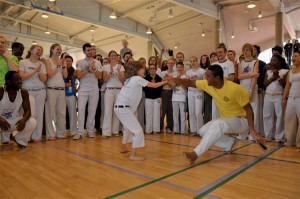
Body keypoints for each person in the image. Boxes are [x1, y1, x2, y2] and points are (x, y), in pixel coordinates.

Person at [170, 64, 266, 163]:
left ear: (217, 78)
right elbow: (191, 82)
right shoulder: (208, 84)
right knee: (202, 131)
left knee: (218, 124)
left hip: (241, 121)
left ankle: (195, 154)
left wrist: (252, 130)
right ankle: (228, 143)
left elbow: (249, 109)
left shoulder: (235, 89)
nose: (206, 78)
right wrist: (176, 80)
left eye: (208, 76)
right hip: (226, 120)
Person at [114, 61, 167, 160]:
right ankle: (133, 155)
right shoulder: (137, 79)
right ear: (137, 70)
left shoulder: (128, 80)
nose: (145, 70)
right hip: (124, 108)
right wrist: (165, 81)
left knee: (127, 128)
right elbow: (154, 85)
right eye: (143, 68)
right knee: (138, 131)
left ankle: (123, 147)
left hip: (119, 108)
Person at [0, 71, 37, 148]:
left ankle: (20, 140)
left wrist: (23, 120)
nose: (20, 81)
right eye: (16, 79)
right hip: (1, 122)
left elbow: (28, 111)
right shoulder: (1, 91)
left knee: (32, 122)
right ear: (9, 82)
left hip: (11, 122)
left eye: (20, 79)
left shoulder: (23, 92)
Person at [18, 45, 47, 143]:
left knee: (39, 114)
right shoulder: (23, 62)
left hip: (40, 91)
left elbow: (44, 79)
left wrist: (39, 73)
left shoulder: (42, 64)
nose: (40, 52)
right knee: (29, 114)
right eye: (38, 50)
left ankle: (36, 137)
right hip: (28, 91)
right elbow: (21, 77)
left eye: (41, 51)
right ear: (31, 50)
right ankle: (25, 136)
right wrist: (35, 71)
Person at [74, 43, 102, 140]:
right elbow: (78, 75)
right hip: (83, 89)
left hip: (94, 88)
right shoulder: (80, 62)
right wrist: (88, 70)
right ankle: (80, 132)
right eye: (88, 50)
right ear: (84, 52)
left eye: (91, 50)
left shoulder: (97, 62)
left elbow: (100, 77)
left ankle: (90, 130)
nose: (90, 52)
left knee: (92, 110)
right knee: (81, 109)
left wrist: (94, 69)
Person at [44, 44, 68, 140]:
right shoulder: (47, 60)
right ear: (52, 50)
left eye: (60, 49)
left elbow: (65, 76)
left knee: (61, 112)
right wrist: (58, 65)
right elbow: (49, 75)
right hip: (51, 88)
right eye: (57, 49)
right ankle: (50, 134)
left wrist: (63, 65)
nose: (59, 51)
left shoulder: (63, 61)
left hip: (61, 89)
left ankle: (61, 133)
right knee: (50, 112)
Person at [238, 43, 260, 140]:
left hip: (251, 88)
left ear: (251, 51)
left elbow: (254, 79)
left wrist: (251, 90)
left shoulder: (255, 62)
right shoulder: (240, 63)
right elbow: (239, 76)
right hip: (242, 88)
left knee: (253, 110)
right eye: (244, 50)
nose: (245, 52)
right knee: (242, 111)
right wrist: (252, 74)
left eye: (247, 50)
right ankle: (242, 133)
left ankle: (252, 134)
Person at [263, 55, 287, 142]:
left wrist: (277, 76)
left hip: (279, 95)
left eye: (274, 60)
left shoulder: (284, 71)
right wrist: (272, 77)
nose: (272, 62)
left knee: (280, 116)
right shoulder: (268, 71)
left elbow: (284, 84)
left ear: (279, 62)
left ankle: (279, 137)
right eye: (271, 60)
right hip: (268, 96)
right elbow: (265, 84)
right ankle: (268, 136)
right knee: (267, 116)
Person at [102, 50, 124, 138]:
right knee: (107, 111)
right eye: (112, 55)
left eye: (115, 55)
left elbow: (122, 80)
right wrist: (110, 72)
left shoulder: (120, 67)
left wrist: (118, 71)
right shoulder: (106, 67)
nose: (113, 57)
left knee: (117, 111)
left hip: (119, 90)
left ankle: (115, 131)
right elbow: (104, 80)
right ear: (109, 56)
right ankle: (106, 132)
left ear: (117, 57)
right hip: (109, 90)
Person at [212, 45, 235, 120]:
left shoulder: (230, 63)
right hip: (215, 91)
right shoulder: (213, 65)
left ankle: (226, 131)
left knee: (225, 113)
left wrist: (219, 79)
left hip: (226, 91)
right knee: (215, 113)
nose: (219, 54)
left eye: (221, 52)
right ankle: (216, 131)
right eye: (217, 52)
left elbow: (232, 78)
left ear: (225, 53)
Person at [282, 51, 300, 148]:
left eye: (296, 56)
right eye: (293, 56)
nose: (293, 57)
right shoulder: (290, 71)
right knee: (289, 119)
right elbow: (287, 86)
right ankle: (289, 140)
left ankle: (299, 142)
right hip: (291, 98)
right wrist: (284, 98)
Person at [186, 56, 205, 136]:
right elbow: (187, 83)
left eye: (194, 61)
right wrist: (191, 81)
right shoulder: (188, 72)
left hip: (199, 92)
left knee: (198, 112)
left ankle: (200, 130)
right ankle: (193, 130)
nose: (192, 63)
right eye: (191, 61)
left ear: (197, 61)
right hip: (190, 92)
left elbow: (204, 82)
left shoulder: (202, 71)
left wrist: (196, 81)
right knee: (191, 112)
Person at [144, 64, 163, 134]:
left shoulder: (159, 78)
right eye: (150, 69)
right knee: (149, 113)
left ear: (156, 69)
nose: (152, 70)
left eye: (153, 68)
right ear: (149, 70)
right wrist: (151, 85)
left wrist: (155, 85)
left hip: (157, 98)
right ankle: (148, 130)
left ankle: (156, 130)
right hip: (148, 97)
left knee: (156, 113)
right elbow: (144, 89)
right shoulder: (146, 78)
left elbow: (160, 89)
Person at [170, 62, 187, 134]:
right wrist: (177, 79)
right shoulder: (173, 76)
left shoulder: (186, 76)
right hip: (174, 98)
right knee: (175, 115)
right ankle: (176, 129)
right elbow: (172, 87)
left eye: (180, 67)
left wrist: (181, 80)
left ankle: (183, 130)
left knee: (183, 115)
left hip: (182, 98)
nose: (179, 68)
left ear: (183, 68)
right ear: (176, 68)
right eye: (178, 67)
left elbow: (186, 87)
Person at [64, 55, 78, 137]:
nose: (68, 62)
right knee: (61, 114)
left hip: (71, 93)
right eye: (66, 60)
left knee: (72, 113)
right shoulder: (61, 70)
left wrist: (77, 88)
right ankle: (62, 131)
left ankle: (73, 131)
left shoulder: (74, 71)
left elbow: (80, 80)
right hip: (62, 93)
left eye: (70, 60)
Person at [160, 58, 175, 133]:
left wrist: (167, 81)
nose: (170, 64)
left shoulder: (176, 73)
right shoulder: (163, 73)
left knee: (170, 110)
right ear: (167, 64)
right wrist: (166, 79)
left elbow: (174, 85)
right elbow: (160, 83)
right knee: (163, 110)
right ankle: (160, 126)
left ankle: (169, 127)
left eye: (172, 63)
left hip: (172, 92)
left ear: (174, 64)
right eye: (169, 63)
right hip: (164, 92)